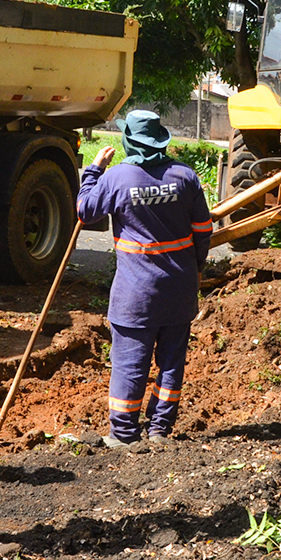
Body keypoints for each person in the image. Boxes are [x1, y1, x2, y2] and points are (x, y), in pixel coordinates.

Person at [78, 111, 212, 447]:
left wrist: (94, 171)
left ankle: (124, 435)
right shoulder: (185, 176)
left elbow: (85, 211)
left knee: (129, 364)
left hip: (135, 294)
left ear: (128, 140)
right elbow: (203, 231)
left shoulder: (118, 178)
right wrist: (195, 268)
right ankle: (159, 432)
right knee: (171, 363)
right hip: (179, 290)